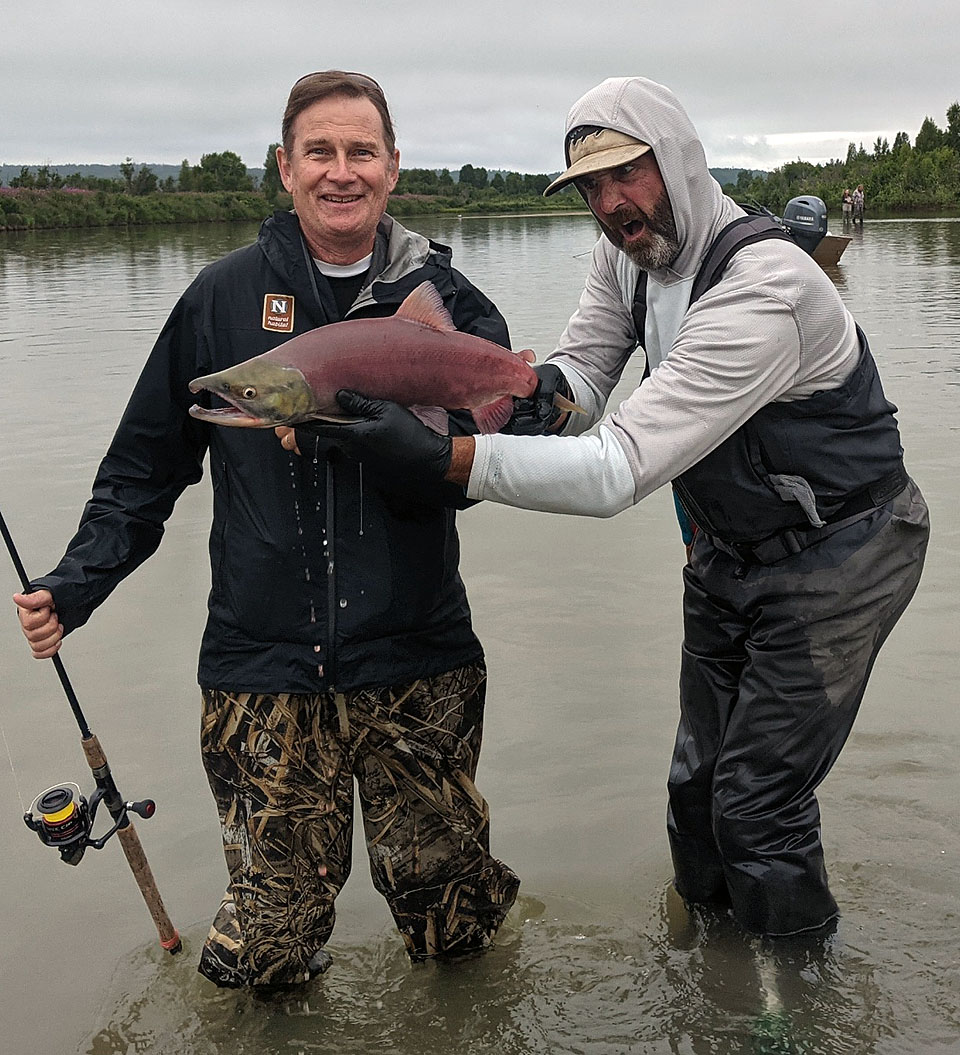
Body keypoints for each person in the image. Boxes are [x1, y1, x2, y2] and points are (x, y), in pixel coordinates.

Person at [302, 76, 930, 939]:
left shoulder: (765, 286)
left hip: (844, 554)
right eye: (591, 187)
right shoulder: (628, 255)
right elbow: (587, 379)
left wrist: (446, 457)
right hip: (725, 550)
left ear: (676, 159)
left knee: (753, 804)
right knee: (694, 791)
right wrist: (534, 392)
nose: (610, 203)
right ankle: (711, 958)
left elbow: (616, 469)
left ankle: (793, 996)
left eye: (626, 174)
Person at [13, 70, 518, 987]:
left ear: (394, 167)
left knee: (458, 932)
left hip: (419, 660)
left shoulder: (453, 304)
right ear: (283, 169)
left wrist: (422, 448)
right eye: (318, 152)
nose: (340, 171)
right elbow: (143, 469)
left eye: (360, 151)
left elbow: (497, 462)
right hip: (261, 669)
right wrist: (75, 583)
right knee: (264, 957)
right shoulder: (219, 300)